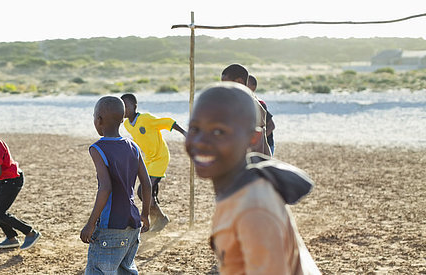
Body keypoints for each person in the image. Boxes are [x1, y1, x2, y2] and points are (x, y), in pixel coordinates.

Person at [185, 83, 320, 274]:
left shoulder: (253, 208)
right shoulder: (237, 186)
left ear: (254, 138)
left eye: (218, 132)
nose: (200, 142)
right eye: (194, 129)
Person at [80, 96, 152, 275]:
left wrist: (90, 224)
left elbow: (105, 188)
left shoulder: (98, 148)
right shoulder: (133, 146)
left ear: (99, 120)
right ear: (122, 119)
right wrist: (145, 214)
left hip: (109, 224)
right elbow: (147, 184)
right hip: (133, 224)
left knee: (99, 270)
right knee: (126, 270)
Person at [0, 114, 41, 250]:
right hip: (5, 179)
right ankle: (11, 238)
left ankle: (30, 233)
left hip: (13, 179)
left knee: (0, 212)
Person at [120, 93, 187, 232]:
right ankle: (160, 218)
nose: (124, 109)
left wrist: (185, 133)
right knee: (144, 192)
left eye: (126, 106)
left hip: (160, 157)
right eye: (122, 106)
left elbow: (168, 122)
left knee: (144, 190)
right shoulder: (127, 124)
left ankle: (159, 219)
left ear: (135, 106)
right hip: (148, 160)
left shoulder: (146, 119)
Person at [221, 64, 272, 157]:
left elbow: (259, 144)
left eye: (226, 84)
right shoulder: (234, 104)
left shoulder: (251, 105)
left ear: (239, 82)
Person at [247, 75, 276, 155]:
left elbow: (271, 125)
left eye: (246, 84)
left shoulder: (259, 103)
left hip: (268, 145)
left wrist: (259, 139)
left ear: (253, 87)